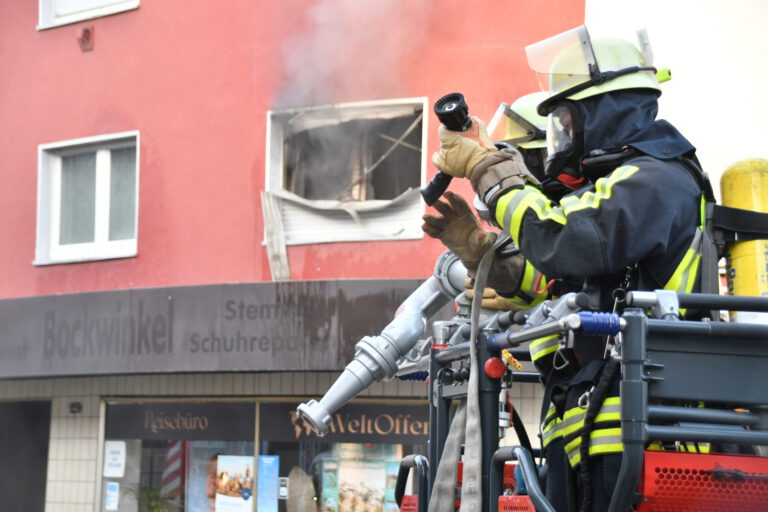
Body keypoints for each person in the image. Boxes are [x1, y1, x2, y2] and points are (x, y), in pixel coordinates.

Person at [428, 25, 709, 512]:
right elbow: (554, 283)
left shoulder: (655, 181)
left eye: (566, 120)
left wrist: (487, 168)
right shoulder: (615, 187)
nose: (563, 136)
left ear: (607, 112)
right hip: (588, 428)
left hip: (639, 435)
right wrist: (481, 253)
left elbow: (565, 243)